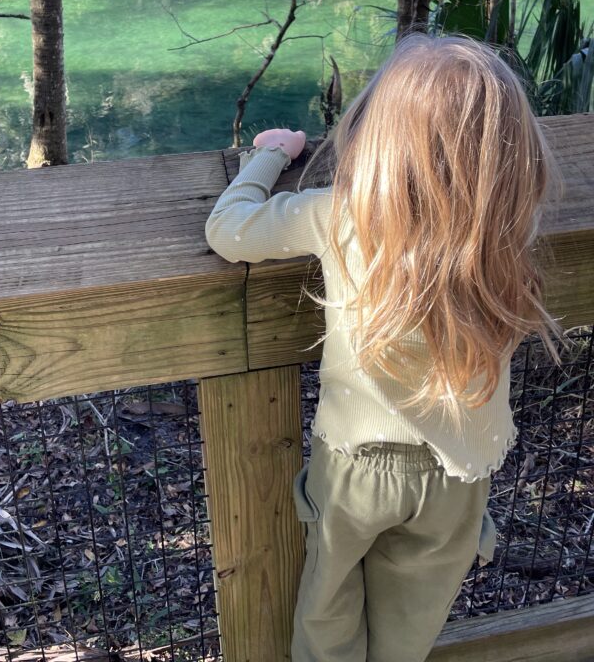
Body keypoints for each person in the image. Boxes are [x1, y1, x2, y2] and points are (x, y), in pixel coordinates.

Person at [204, 34, 561, 662]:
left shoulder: (343, 212)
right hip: (460, 471)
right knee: (410, 627)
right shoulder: (504, 221)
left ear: (380, 135)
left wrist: (265, 157)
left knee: (328, 612)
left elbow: (229, 231)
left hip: (356, 469)